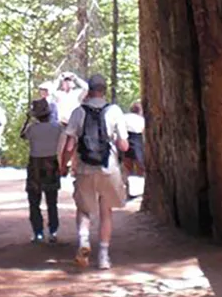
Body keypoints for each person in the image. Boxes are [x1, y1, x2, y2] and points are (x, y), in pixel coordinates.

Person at [59, 74, 128, 270]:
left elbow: (70, 144)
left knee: (84, 209)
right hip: (108, 167)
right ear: (104, 90)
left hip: (84, 168)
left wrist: (63, 165)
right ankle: (104, 256)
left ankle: (83, 243)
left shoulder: (78, 112)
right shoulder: (114, 111)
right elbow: (123, 145)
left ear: (88, 91)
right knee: (105, 211)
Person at [22, 98, 63, 244]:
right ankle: (53, 231)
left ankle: (38, 232)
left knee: (34, 201)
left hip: (35, 165)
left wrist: (27, 120)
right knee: (52, 201)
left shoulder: (32, 128)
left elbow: (23, 136)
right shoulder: (57, 127)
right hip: (51, 163)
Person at [121, 100, 145, 199]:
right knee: (142, 167)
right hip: (137, 141)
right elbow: (143, 132)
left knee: (126, 168)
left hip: (125, 141)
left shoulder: (124, 117)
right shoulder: (141, 120)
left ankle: (126, 191)